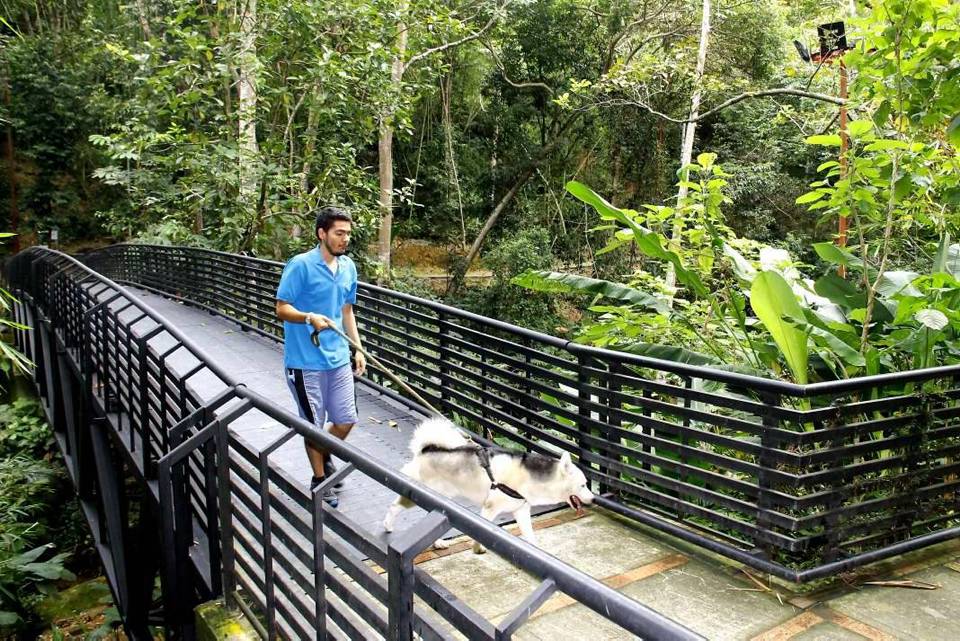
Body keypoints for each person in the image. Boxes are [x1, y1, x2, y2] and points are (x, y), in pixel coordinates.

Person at [275, 206, 367, 507]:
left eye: (348, 234)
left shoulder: (348, 267)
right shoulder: (301, 265)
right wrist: (308, 317)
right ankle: (319, 479)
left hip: (337, 358)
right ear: (321, 233)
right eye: (339, 233)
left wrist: (357, 348)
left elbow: (347, 310)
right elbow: (281, 308)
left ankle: (324, 453)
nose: (345, 239)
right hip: (305, 362)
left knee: (346, 420)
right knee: (314, 426)